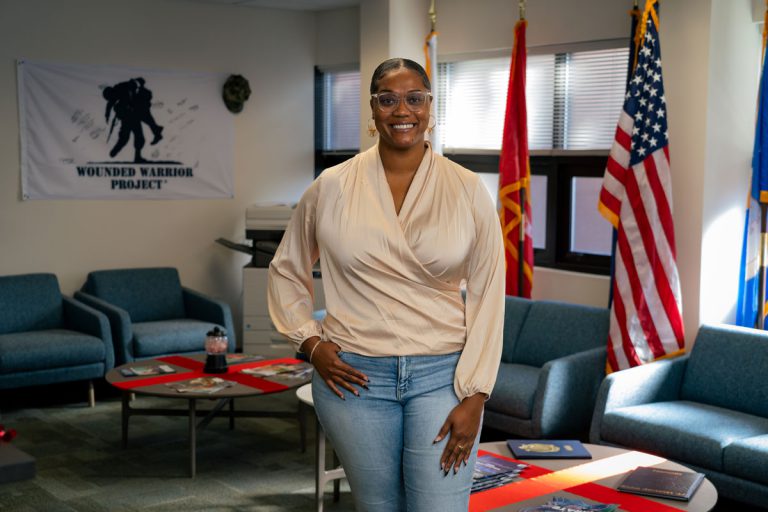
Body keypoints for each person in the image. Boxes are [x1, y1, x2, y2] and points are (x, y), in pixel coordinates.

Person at [268, 57, 504, 511]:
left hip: (443, 377)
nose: (403, 111)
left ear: (431, 106)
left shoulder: (468, 189)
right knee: (379, 507)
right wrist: (311, 343)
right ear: (372, 110)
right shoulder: (331, 187)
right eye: (388, 99)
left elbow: (489, 293)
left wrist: (477, 394)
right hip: (353, 380)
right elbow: (286, 269)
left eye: (415, 98)